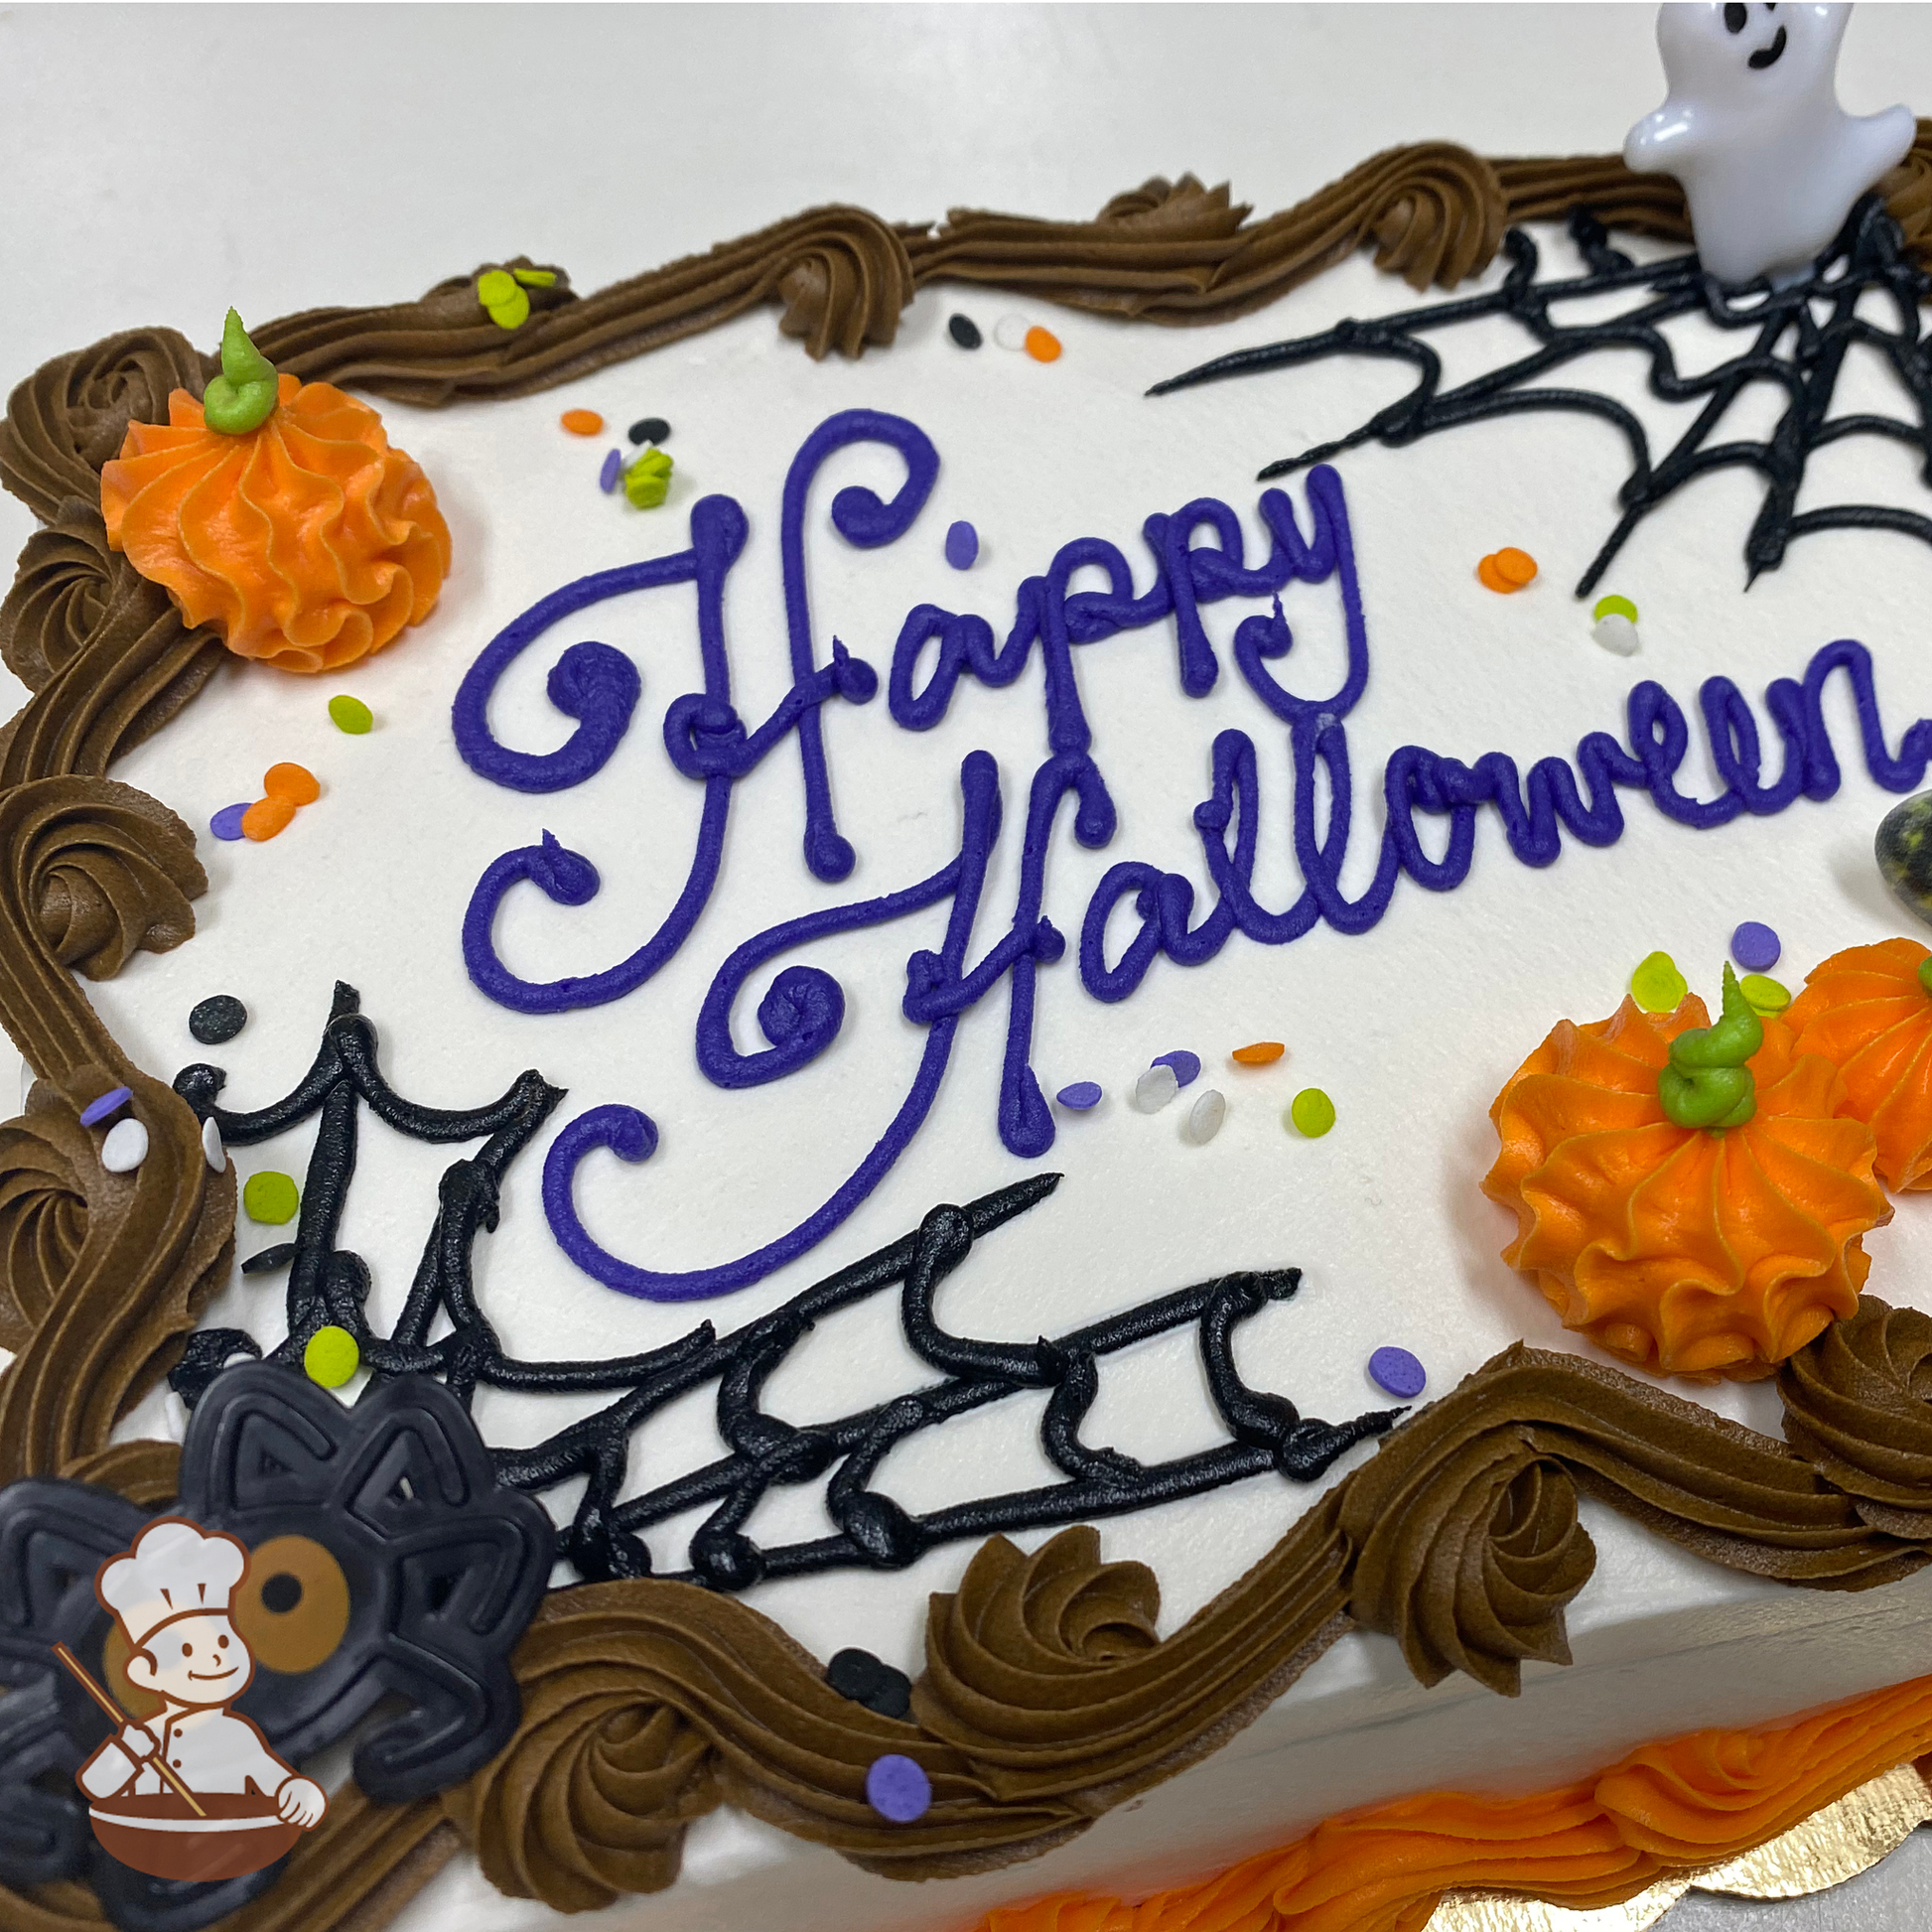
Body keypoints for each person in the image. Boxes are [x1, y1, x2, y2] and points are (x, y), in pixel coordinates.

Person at [77, 1518, 326, 1828]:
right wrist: (127, 1752)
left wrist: (299, 1794)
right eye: (184, 1651)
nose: (213, 1660)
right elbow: (97, 1785)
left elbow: (279, 1783)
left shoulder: (238, 1734)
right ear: (144, 1672)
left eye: (223, 1641)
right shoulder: (143, 1737)